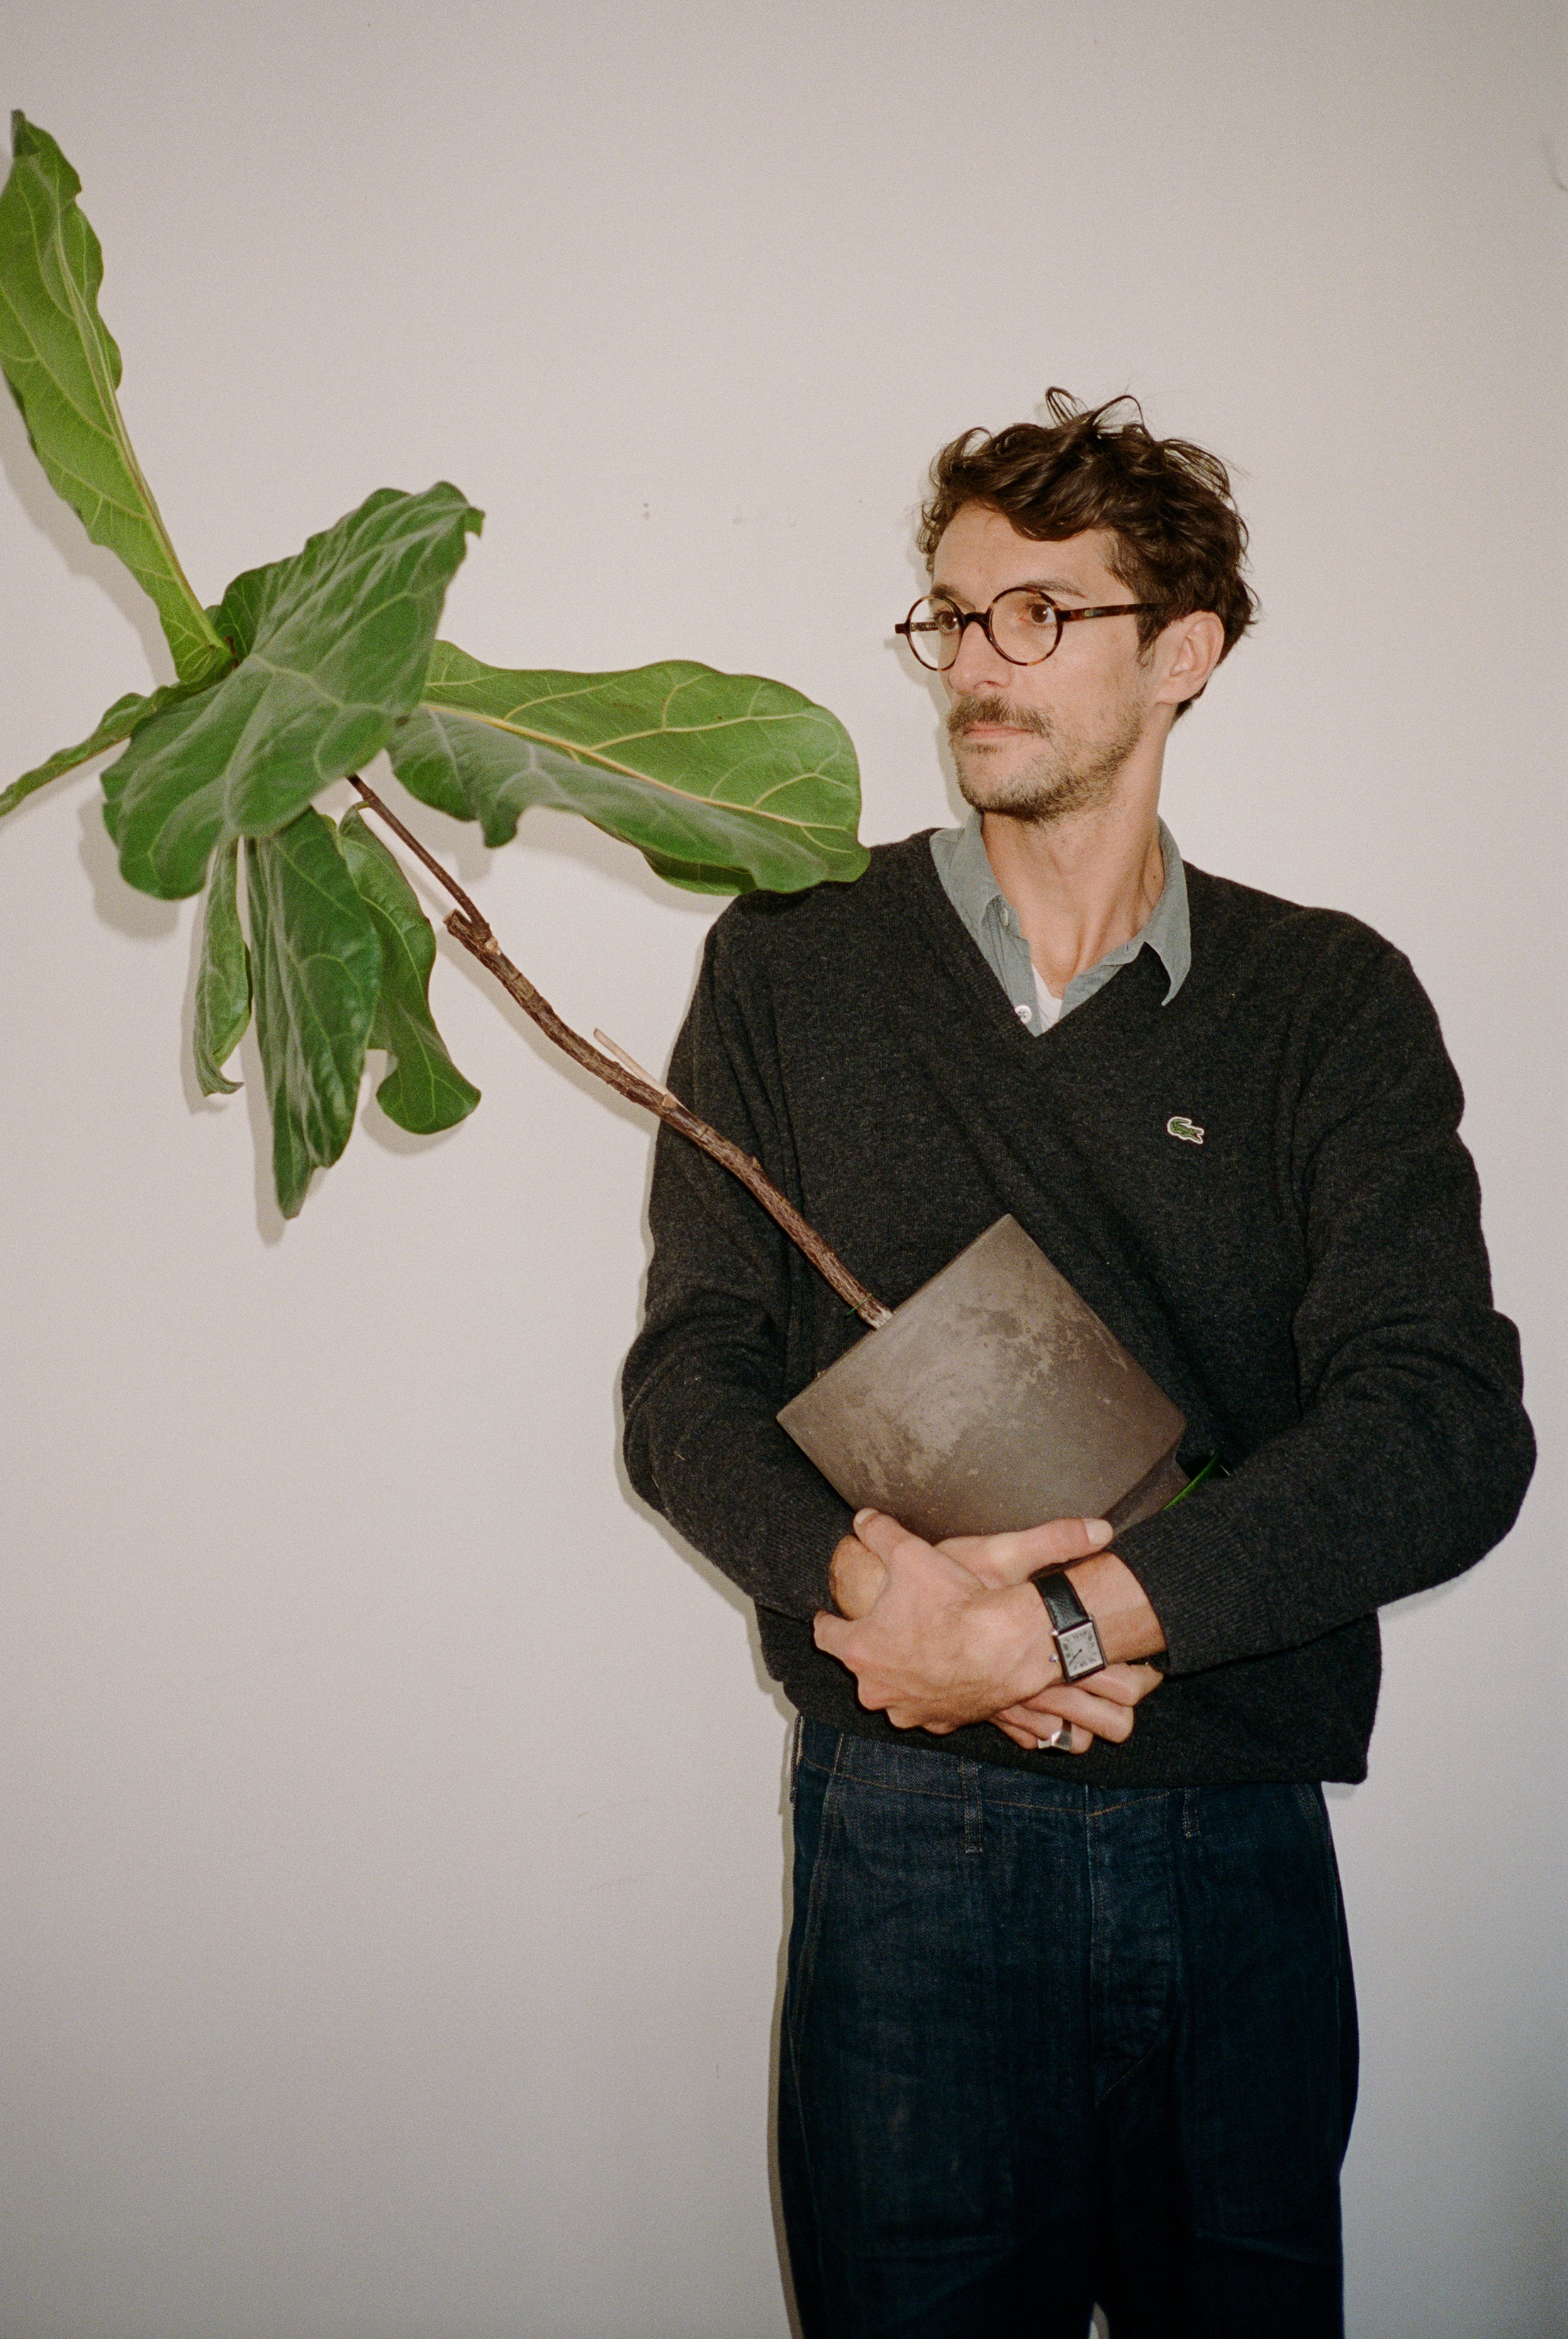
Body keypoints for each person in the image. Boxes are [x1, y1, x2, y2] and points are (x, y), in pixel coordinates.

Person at [620, 390, 1534, 2338]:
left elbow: (1444, 1425)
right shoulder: (794, 958)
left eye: (1040, 613)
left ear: (1183, 651)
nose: (974, 664)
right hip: (903, 1827)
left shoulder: (1326, 1003)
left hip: (1233, 1829)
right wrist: (880, 1597)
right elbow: (686, 1378)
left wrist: (1058, 1627)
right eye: (950, 616)